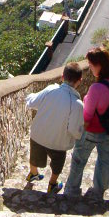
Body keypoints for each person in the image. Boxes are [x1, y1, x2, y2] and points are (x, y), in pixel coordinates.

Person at [64, 47, 109, 201]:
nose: (90, 68)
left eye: (91, 65)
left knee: (79, 159)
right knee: (105, 158)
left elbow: (87, 115)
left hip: (93, 130)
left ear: (99, 65)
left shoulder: (96, 88)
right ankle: (99, 190)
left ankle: (72, 190)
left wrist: (77, 133)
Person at [25, 62, 84, 194]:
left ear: (62, 77)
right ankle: (53, 184)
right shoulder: (77, 104)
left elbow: (33, 102)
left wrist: (28, 97)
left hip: (38, 135)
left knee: (35, 154)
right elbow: (75, 130)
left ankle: (33, 173)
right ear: (79, 80)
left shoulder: (50, 89)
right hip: (58, 141)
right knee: (58, 162)